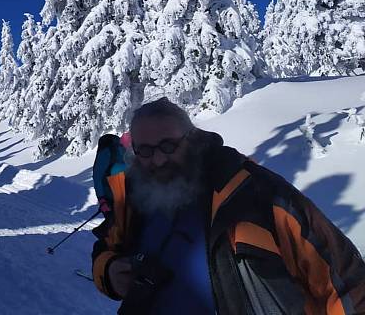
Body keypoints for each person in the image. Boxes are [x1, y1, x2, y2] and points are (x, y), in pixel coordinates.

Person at [91, 98, 365, 314]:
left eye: (169, 146)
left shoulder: (255, 193)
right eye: (146, 151)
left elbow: (344, 281)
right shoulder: (134, 198)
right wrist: (110, 270)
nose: (158, 160)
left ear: (192, 139)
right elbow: (105, 248)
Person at [92, 133, 128, 215]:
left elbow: (97, 177)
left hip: (110, 196)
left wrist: (101, 199)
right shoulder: (123, 150)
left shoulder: (105, 152)